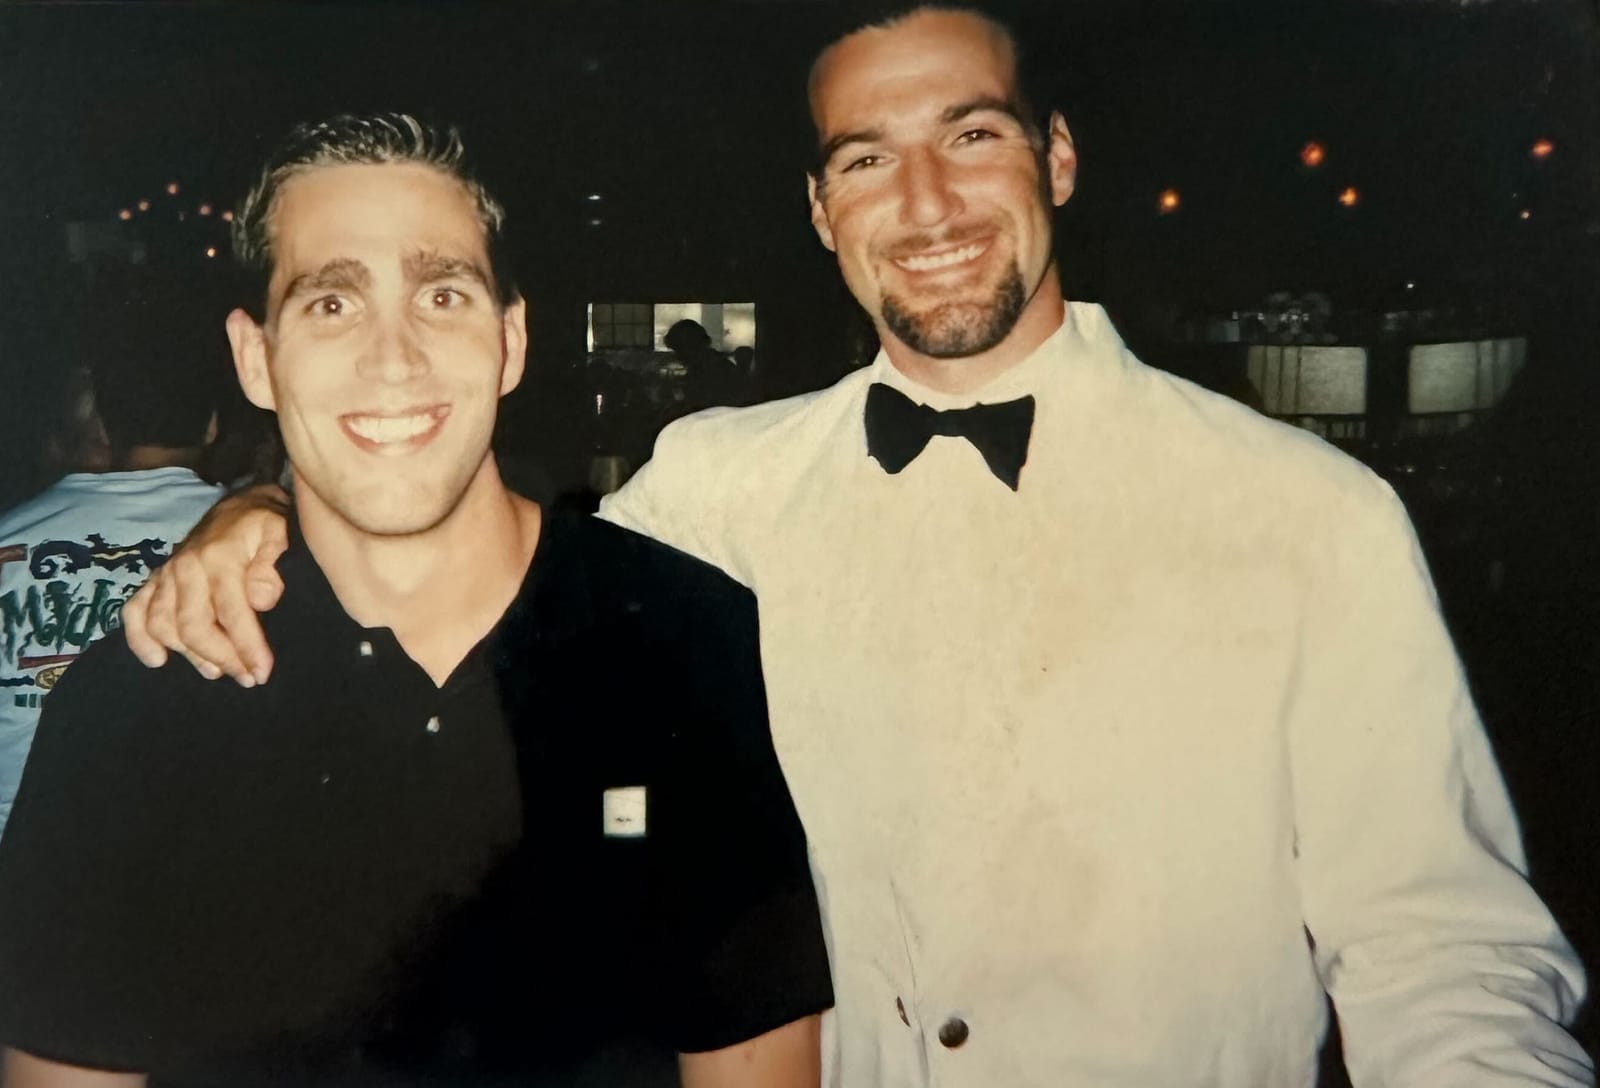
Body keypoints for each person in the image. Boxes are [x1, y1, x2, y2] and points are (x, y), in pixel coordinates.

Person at [121, 8, 1592, 1086]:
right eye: (868, 160)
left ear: (1058, 159)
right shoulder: (716, 486)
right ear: (823, 210)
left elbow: (1444, 955)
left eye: (973, 136)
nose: (929, 204)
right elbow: (445, 550)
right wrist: (248, 511)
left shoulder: (1310, 518)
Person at [0, 113, 830, 1088]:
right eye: (331, 305)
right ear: (255, 358)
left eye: (442, 293)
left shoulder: (690, 644)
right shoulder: (130, 711)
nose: (393, 357)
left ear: (511, 339)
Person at [0, 275, 225, 839]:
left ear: (105, 421)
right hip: (176, 865)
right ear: (213, 424)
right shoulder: (267, 548)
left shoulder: (8, 538)